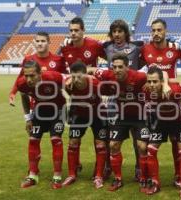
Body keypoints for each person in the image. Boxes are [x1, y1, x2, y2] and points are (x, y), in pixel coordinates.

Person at [141, 18, 181, 186]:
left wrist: (173, 83)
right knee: (150, 143)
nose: (156, 33)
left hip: (173, 101)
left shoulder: (174, 49)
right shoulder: (145, 49)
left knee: (178, 142)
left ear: (165, 31)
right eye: (153, 30)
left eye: (159, 30)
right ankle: (147, 176)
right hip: (154, 105)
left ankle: (179, 175)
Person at [93, 53, 149, 191]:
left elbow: (159, 75)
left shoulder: (139, 77)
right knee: (113, 145)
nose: (116, 70)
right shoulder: (109, 76)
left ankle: (143, 177)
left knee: (142, 146)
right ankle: (118, 178)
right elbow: (91, 70)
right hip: (121, 116)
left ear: (127, 67)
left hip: (140, 117)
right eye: (114, 67)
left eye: (120, 67)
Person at [60, 17, 106, 177]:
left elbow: (111, 59)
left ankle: (100, 172)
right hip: (77, 102)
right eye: (71, 30)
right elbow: (61, 70)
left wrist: (95, 73)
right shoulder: (65, 48)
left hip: (95, 98)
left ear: (83, 30)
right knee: (74, 140)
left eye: (76, 30)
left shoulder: (94, 45)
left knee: (100, 141)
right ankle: (75, 168)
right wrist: (67, 79)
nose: (73, 33)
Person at [103, 19, 145, 181]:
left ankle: (139, 168)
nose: (117, 34)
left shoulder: (136, 47)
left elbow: (146, 54)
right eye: (114, 31)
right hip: (114, 98)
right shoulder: (107, 48)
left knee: (138, 138)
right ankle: (108, 167)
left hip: (134, 96)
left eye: (120, 31)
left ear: (126, 33)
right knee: (111, 137)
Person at [17, 60, 66, 189]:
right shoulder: (22, 83)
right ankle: (32, 175)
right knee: (33, 140)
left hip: (58, 111)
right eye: (26, 75)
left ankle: (57, 176)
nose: (28, 79)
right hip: (39, 111)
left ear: (40, 73)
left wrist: (70, 108)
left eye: (32, 75)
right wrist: (28, 118)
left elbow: (70, 84)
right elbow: (24, 97)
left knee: (56, 140)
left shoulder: (53, 77)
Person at [143, 67, 181, 197]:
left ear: (162, 81)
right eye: (149, 81)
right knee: (150, 150)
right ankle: (155, 183)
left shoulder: (175, 91)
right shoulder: (146, 90)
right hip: (161, 122)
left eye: (155, 82)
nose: (152, 85)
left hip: (178, 122)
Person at [61, 61, 108, 189]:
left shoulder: (96, 85)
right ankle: (71, 174)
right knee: (73, 143)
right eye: (74, 76)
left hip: (98, 116)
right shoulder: (68, 85)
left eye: (79, 76)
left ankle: (98, 176)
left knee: (100, 145)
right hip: (79, 115)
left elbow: (108, 96)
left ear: (86, 75)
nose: (76, 80)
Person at [9, 31, 67, 106]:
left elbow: (66, 78)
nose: (39, 43)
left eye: (43, 41)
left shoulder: (59, 59)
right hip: (36, 103)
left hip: (57, 103)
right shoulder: (28, 59)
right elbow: (21, 77)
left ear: (49, 42)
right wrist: (13, 93)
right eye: (37, 41)